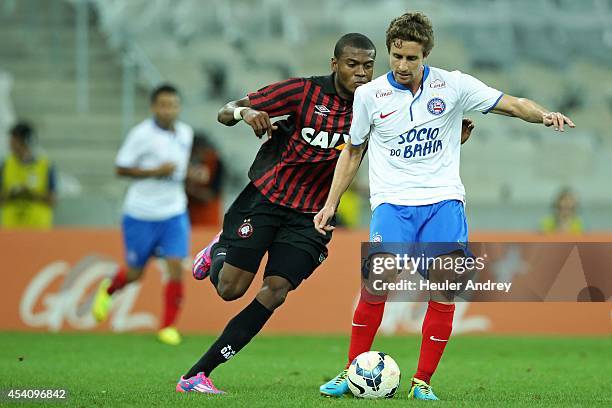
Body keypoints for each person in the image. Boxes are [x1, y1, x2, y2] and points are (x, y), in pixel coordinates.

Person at [314, 12, 574, 400]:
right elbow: (353, 152)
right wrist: (330, 203)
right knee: (377, 285)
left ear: (426, 56)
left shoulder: (453, 86)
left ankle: (422, 382)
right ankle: (352, 373)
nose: (402, 65)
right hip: (392, 205)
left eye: (411, 58)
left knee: (444, 290)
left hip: (443, 204)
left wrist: (544, 115)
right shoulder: (369, 96)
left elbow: (514, 104)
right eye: (396, 56)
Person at [175, 33, 378, 395]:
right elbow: (225, 110)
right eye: (352, 65)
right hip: (267, 199)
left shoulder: (376, 104)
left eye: (367, 66)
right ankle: (219, 248)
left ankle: (197, 374)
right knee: (230, 289)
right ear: (335, 65)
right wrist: (246, 112)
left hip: (312, 215)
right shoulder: (302, 92)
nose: (361, 73)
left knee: (276, 290)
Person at [92, 84, 194, 346]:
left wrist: (193, 175)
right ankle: (109, 288)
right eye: (163, 105)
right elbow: (121, 169)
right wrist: (154, 172)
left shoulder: (185, 133)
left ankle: (167, 327)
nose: (168, 110)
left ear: (178, 107)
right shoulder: (141, 134)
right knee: (136, 273)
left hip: (174, 211)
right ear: (153, 107)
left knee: (174, 266)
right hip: (141, 213)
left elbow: (178, 171)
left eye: (172, 104)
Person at [0, 122, 56, 229]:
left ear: (26, 141)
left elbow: (52, 200)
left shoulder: (45, 165)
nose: (10, 143)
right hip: (11, 229)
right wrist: (13, 193)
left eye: (14, 139)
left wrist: (30, 193)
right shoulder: (5, 165)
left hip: (38, 229)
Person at [186, 132, 224, 227]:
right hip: (189, 218)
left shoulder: (215, 162)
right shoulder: (183, 162)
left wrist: (191, 191)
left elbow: (212, 195)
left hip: (208, 218)